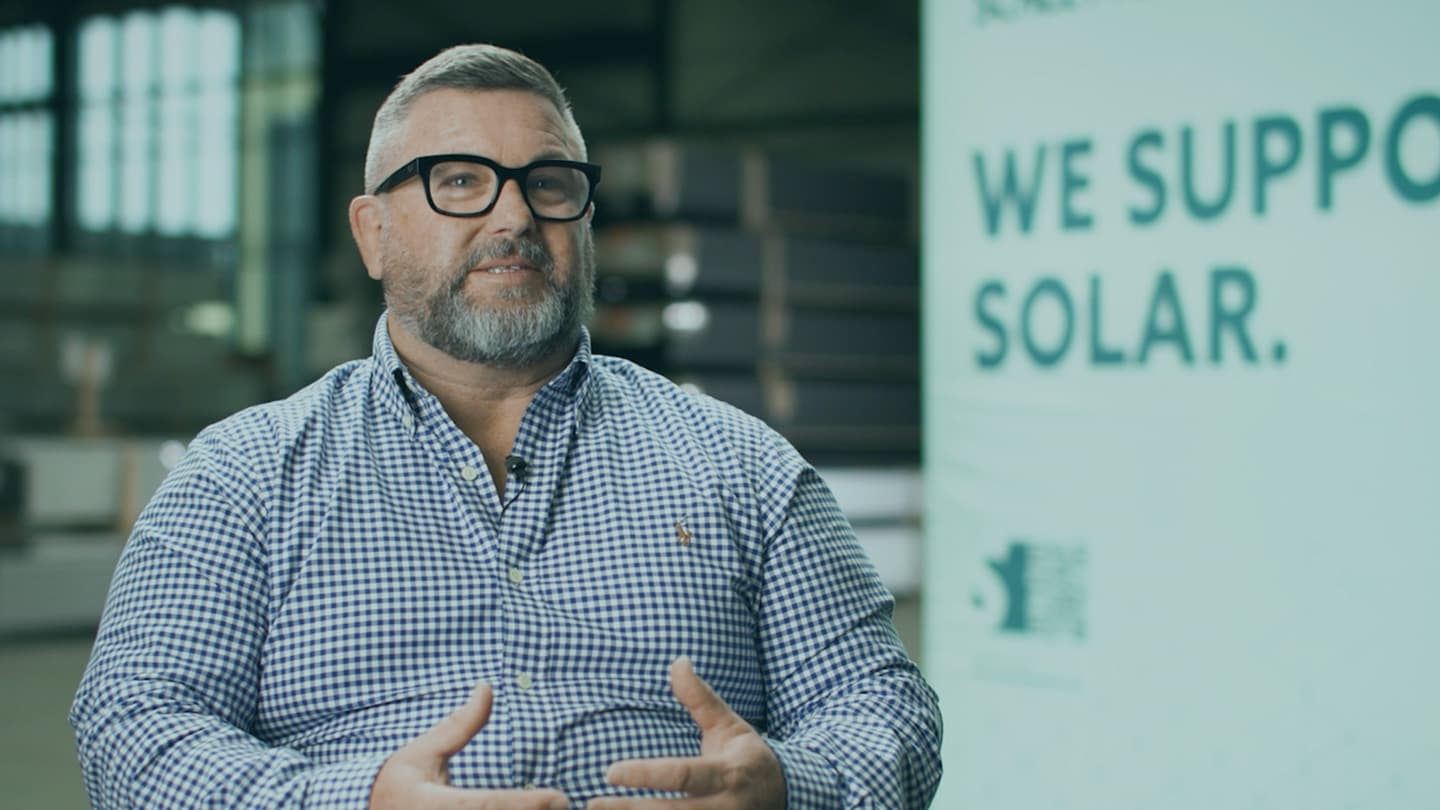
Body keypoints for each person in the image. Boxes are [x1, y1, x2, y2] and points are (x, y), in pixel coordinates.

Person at [71, 43, 942, 809]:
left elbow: (884, 707)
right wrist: (354, 801)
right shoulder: (244, 477)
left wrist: (788, 787)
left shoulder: (741, 465)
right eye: (459, 181)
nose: (515, 217)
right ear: (372, 233)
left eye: (550, 183)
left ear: (586, 220)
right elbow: (132, 727)